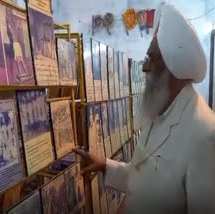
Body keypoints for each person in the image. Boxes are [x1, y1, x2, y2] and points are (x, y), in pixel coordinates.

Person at [74, 2, 215, 214]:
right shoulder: (161, 109)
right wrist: (105, 165)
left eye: (152, 58)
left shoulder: (205, 134)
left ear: (174, 66)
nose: (144, 66)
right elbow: (143, 175)